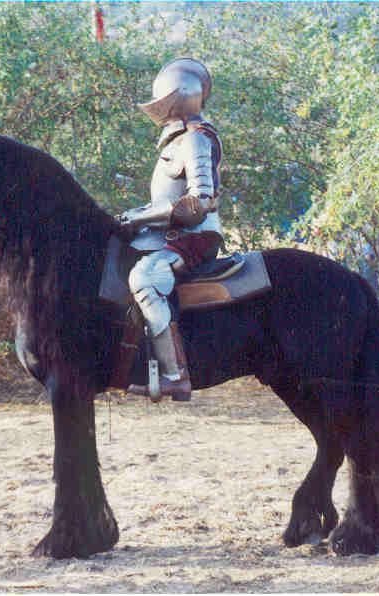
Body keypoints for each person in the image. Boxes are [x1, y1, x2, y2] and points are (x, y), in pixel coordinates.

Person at [118, 57, 223, 402]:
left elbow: (200, 203)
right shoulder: (179, 142)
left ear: (176, 101)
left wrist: (139, 218)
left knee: (144, 278)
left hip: (194, 237)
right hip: (176, 234)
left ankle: (175, 375)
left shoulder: (195, 141)